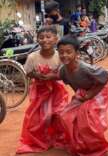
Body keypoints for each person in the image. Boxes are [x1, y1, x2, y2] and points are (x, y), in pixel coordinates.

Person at [56, 36, 108, 156]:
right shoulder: (63, 70)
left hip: (99, 91)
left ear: (76, 53)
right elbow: (57, 76)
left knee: (90, 119)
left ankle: (97, 146)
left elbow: (107, 75)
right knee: (66, 116)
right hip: (83, 94)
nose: (64, 55)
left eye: (68, 52)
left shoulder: (85, 68)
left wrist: (91, 94)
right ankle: (81, 143)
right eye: (61, 52)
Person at [16, 26, 69, 154]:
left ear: (56, 39)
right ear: (37, 40)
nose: (45, 40)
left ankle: (59, 137)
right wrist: (37, 75)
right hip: (39, 92)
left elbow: (64, 73)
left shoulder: (59, 56)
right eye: (41, 37)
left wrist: (53, 76)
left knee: (59, 114)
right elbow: (28, 72)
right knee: (40, 117)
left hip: (57, 91)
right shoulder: (32, 57)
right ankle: (41, 139)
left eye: (48, 37)